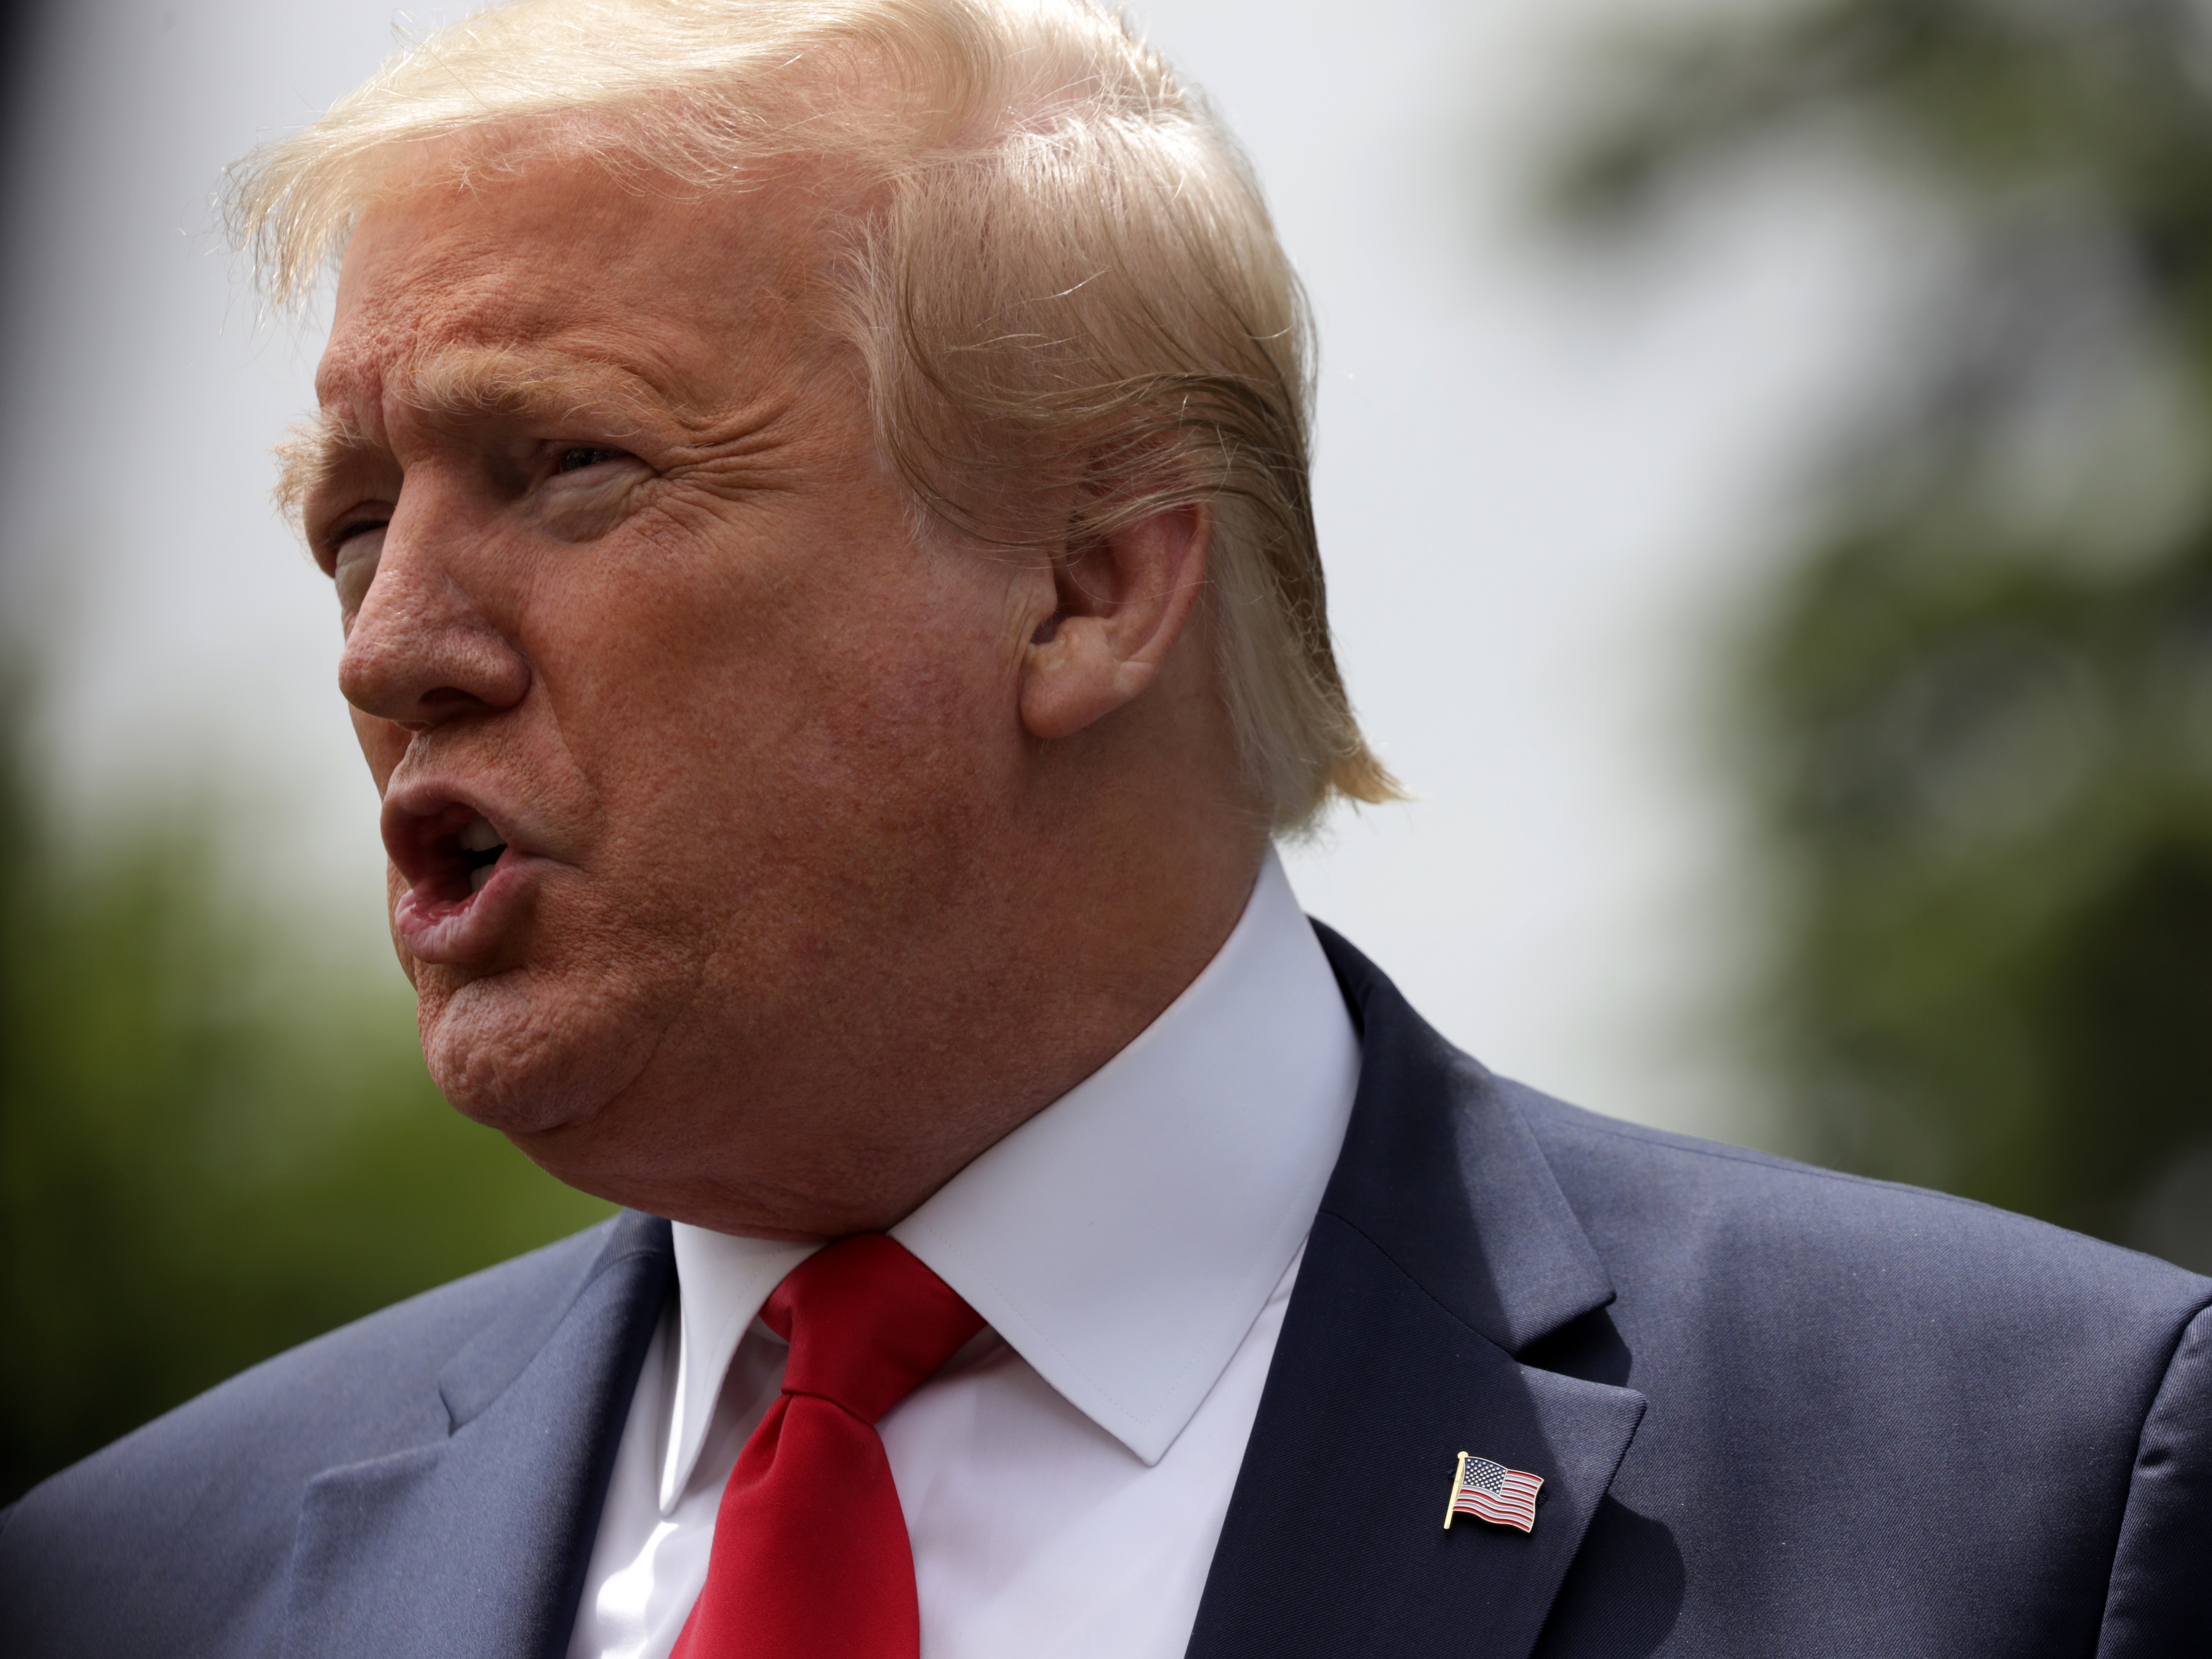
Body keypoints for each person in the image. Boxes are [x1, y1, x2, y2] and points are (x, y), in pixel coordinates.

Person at [2, 0, 2207, 1653]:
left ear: (1088, 580)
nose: (389, 652)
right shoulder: (123, 1585)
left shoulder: (2024, 1489)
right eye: (354, 523)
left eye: (572, 469)